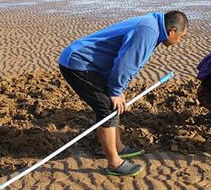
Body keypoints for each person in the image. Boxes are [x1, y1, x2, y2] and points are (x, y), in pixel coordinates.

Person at [59, 11, 188, 176]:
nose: (180, 41)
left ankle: (118, 147)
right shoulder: (149, 31)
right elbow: (126, 62)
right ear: (171, 31)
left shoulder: (153, 25)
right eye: (181, 36)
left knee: (113, 103)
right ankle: (114, 162)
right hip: (78, 62)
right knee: (107, 108)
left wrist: (117, 90)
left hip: (91, 64)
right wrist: (115, 90)